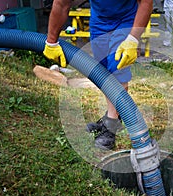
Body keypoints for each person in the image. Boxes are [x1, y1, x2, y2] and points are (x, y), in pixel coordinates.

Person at [43, 0, 153, 150]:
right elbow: (61, 4)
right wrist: (51, 42)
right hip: (99, 19)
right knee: (103, 72)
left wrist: (133, 38)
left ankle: (111, 126)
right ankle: (111, 116)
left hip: (126, 18)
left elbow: (146, 2)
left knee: (117, 68)